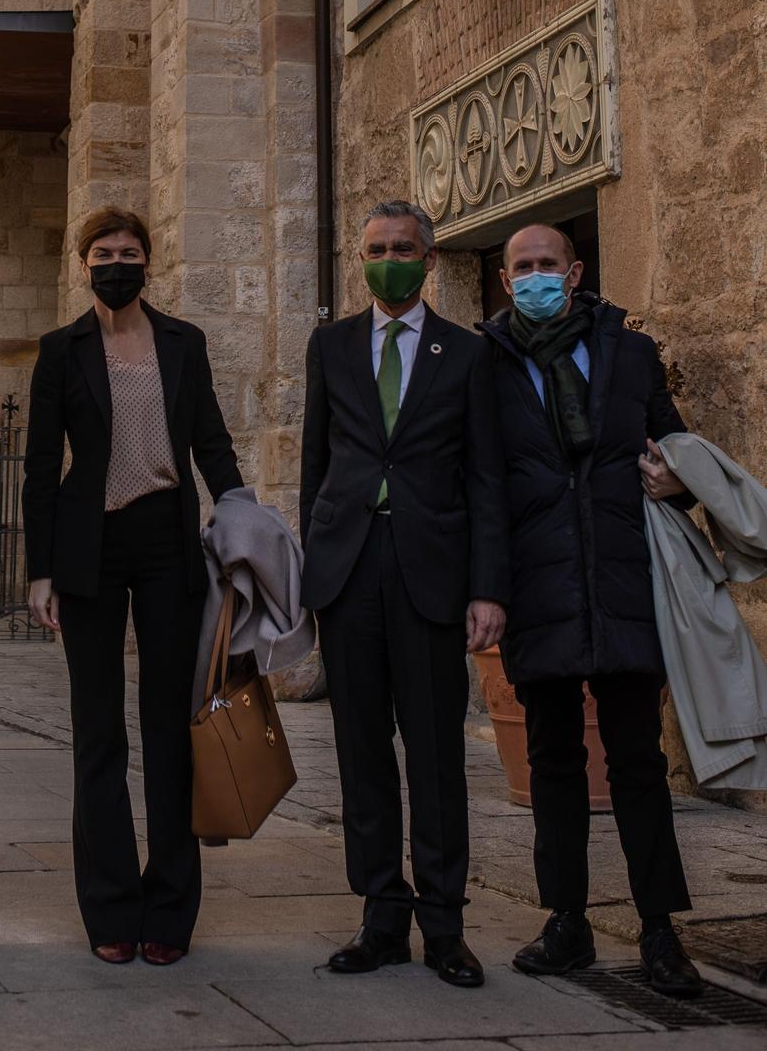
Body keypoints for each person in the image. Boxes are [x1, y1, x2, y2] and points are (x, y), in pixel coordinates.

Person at [480, 222, 702, 997]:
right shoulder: (488, 363)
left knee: (638, 762)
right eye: (522, 268)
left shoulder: (629, 353)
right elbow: (479, 480)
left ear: (574, 273)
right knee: (551, 763)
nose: (537, 276)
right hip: (537, 586)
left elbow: (673, 442)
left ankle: (659, 930)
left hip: (620, 581)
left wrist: (677, 476)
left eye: (549, 264)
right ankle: (565, 921)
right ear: (505, 282)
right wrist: (488, 588)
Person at [23, 207, 243, 967]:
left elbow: (209, 438)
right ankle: (111, 909)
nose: (116, 262)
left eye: (129, 252)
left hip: (165, 543)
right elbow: (39, 466)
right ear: (85, 264)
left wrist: (241, 513)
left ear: (149, 262)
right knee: (97, 733)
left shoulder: (183, 342)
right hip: (89, 544)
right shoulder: (61, 350)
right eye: (103, 253)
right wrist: (40, 569)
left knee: (167, 730)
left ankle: (169, 912)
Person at [299, 199, 508, 989]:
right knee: (360, 753)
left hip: (431, 573)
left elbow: (486, 478)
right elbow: (315, 465)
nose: (387, 258)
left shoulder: (466, 353)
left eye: (402, 248)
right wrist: (312, 571)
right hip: (348, 573)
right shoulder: (330, 346)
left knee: (434, 753)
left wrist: (487, 589)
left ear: (427, 260)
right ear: (362, 259)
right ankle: (379, 917)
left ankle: (444, 926)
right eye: (375, 248)